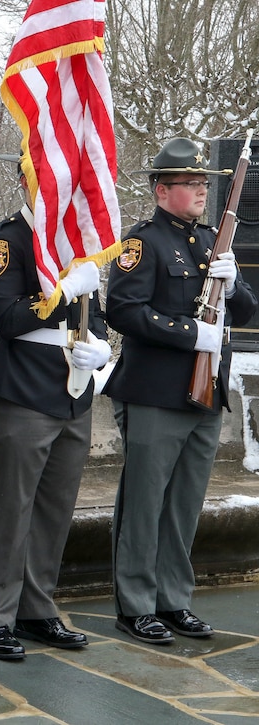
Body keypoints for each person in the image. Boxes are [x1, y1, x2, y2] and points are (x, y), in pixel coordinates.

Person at [105, 137, 257, 645]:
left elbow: (247, 310)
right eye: (190, 184)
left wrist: (233, 287)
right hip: (155, 393)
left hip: (206, 392)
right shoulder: (142, 243)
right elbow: (123, 310)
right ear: (160, 189)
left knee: (185, 505)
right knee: (144, 505)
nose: (199, 191)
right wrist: (193, 334)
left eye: (202, 183)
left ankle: (173, 599)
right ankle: (136, 604)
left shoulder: (213, 239)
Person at [0, 153, 111, 660]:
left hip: (73, 389)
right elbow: (7, 318)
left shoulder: (77, 242)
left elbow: (96, 313)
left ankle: (36, 608)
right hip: (26, 388)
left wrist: (102, 344)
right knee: (12, 507)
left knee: (55, 508)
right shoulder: (6, 242)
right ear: (27, 182)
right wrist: (60, 290)